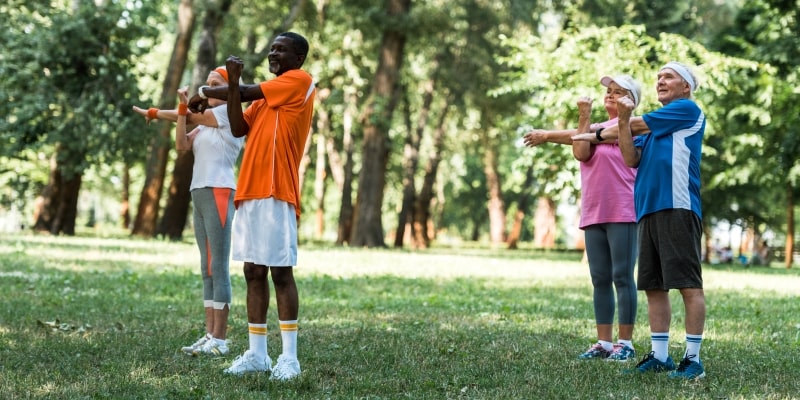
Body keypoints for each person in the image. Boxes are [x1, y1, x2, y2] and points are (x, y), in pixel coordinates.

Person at [188, 32, 315, 381]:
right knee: (253, 272)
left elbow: (243, 92)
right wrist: (223, 92)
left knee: (280, 272)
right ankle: (258, 354)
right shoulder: (265, 100)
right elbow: (241, 123)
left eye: (280, 49)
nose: (273, 53)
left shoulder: (298, 82)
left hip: (277, 191)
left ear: (298, 58)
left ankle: (289, 358)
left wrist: (207, 93)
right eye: (272, 49)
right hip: (250, 193)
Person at [574, 61, 707, 379]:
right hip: (647, 209)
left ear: (685, 86)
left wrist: (612, 126)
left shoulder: (686, 109)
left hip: (678, 206)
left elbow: (631, 127)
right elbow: (630, 157)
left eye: (669, 76)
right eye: (658, 76)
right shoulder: (655, 126)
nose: (661, 80)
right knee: (654, 287)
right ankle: (660, 356)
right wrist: (619, 121)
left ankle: (693, 359)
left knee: (688, 286)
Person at [523, 75, 642, 362]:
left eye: (620, 92)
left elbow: (583, 139)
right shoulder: (596, 127)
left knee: (622, 277)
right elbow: (580, 150)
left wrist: (552, 134)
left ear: (633, 100)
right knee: (600, 278)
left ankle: (625, 344)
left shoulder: (638, 125)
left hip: (624, 210)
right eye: (609, 92)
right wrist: (583, 116)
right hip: (594, 211)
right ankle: (604, 342)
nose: (611, 95)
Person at [133, 67, 243, 357]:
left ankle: (220, 339)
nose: (208, 88)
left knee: (218, 266)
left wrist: (157, 112)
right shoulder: (205, 123)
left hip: (219, 190)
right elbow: (182, 144)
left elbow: (188, 115)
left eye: (215, 83)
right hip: (199, 191)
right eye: (206, 84)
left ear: (230, 88)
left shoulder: (228, 116)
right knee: (206, 267)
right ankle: (209, 335)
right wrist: (177, 110)